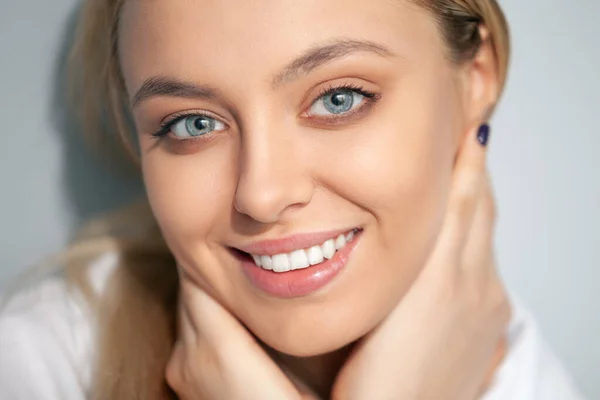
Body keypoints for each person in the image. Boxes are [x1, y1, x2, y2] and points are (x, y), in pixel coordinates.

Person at [0, 0, 586, 399]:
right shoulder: (42, 365)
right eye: (193, 124)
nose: (262, 194)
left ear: (475, 78)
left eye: (338, 99)